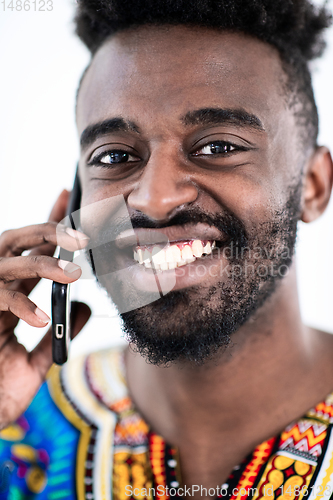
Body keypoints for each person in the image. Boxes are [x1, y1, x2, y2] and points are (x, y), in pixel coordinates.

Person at [0, 0, 333, 499]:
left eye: (218, 147)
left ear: (312, 185)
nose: (154, 200)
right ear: (74, 203)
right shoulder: (20, 425)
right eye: (114, 156)